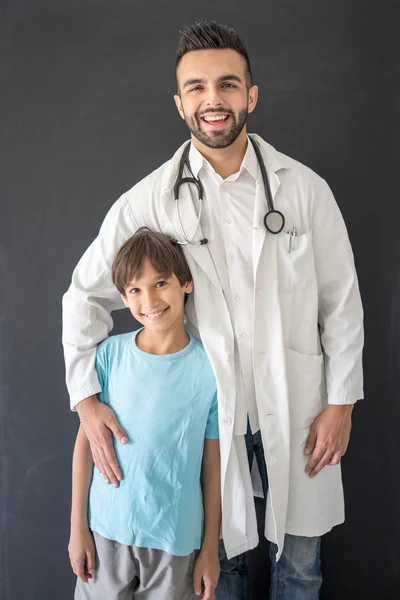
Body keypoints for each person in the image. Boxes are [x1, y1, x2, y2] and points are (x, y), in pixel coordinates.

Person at [62, 20, 364, 600]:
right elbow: (84, 296)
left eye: (227, 85)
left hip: (299, 415)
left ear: (250, 96)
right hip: (207, 425)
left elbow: (341, 302)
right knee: (216, 572)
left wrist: (341, 402)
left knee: (300, 566)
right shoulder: (150, 199)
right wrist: (86, 399)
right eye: (197, 88)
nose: (213, 100)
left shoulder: (303, 190)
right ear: (180, 105)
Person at [67, 228, 221, 600]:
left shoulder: (211, 369)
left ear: (185, 283)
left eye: (160, 283)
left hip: (176, 541)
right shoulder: (107, 357)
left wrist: (210, 549)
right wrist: (78, 528)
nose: (149, 299)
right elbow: (86, 446)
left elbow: (213, 466)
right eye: (135, 290)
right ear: (122, 296)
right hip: (105, 534)